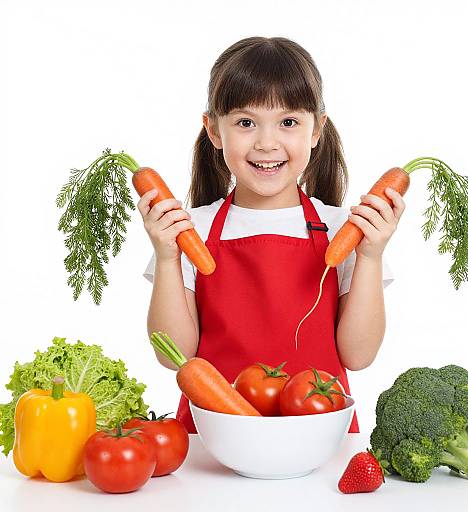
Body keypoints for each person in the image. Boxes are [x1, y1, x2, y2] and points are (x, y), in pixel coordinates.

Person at [139, 36, 405, 433]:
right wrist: (165, 256)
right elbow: (174, 353)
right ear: (213, 131)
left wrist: (370, 256)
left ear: (317, 129)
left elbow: (359, 355)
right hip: (213, 439)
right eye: (246, 123)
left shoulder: (344, 231)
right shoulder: (189, 230)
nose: (266, 142)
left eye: (288, 122)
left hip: (317, 436)